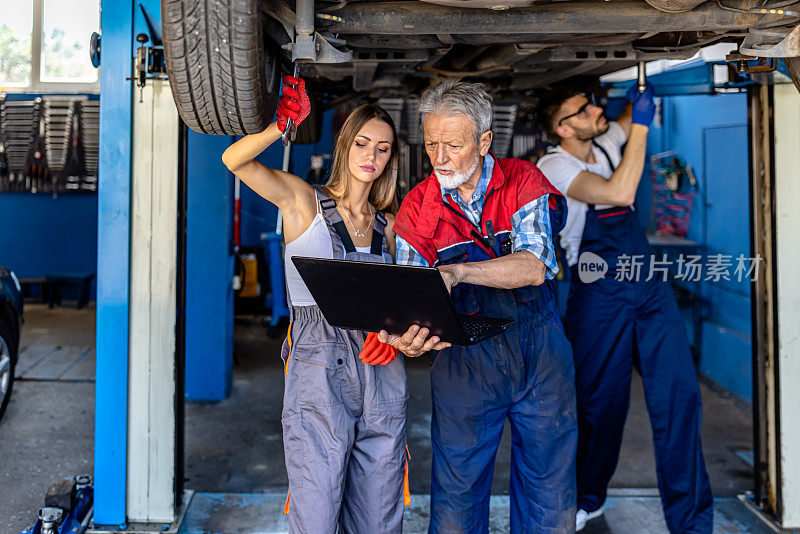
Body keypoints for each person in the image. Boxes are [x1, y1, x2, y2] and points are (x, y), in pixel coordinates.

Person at [222, 77, 433, 533]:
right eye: (362, 144)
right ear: (344, 145)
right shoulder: (303, 202)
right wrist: (281, 125)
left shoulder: (392, 226)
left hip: (381, 368)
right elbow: (234, 159)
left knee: (380, 514)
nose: (371, 157)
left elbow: (410, 299)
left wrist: (396, 336)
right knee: (317, 513)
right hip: (319, 363)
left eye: (382, 149)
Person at [387, 79, 578, 533]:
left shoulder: (523, 181)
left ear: (484, 141)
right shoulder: (417, 208)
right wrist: (407, 340)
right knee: (456, 497)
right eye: (431, 144)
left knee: (550, 491)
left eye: (453, 145)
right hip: (464, 365)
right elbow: (412, 298)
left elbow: (535, 265)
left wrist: (457, 272)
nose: (439, 157)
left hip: (541, 356)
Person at [535, 86, 713, 533]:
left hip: (647, 283)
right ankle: (587, 498)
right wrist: (639, 124)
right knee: (599, 404)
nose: (597, 110)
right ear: (563, 128)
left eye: (594, 101)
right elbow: (618, 192)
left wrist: (639, 95)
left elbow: (628, 115)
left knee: (680, 397)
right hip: (598, 290)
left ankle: (692, 522)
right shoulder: (554, 164)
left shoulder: (608, 142)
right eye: (585, 108)